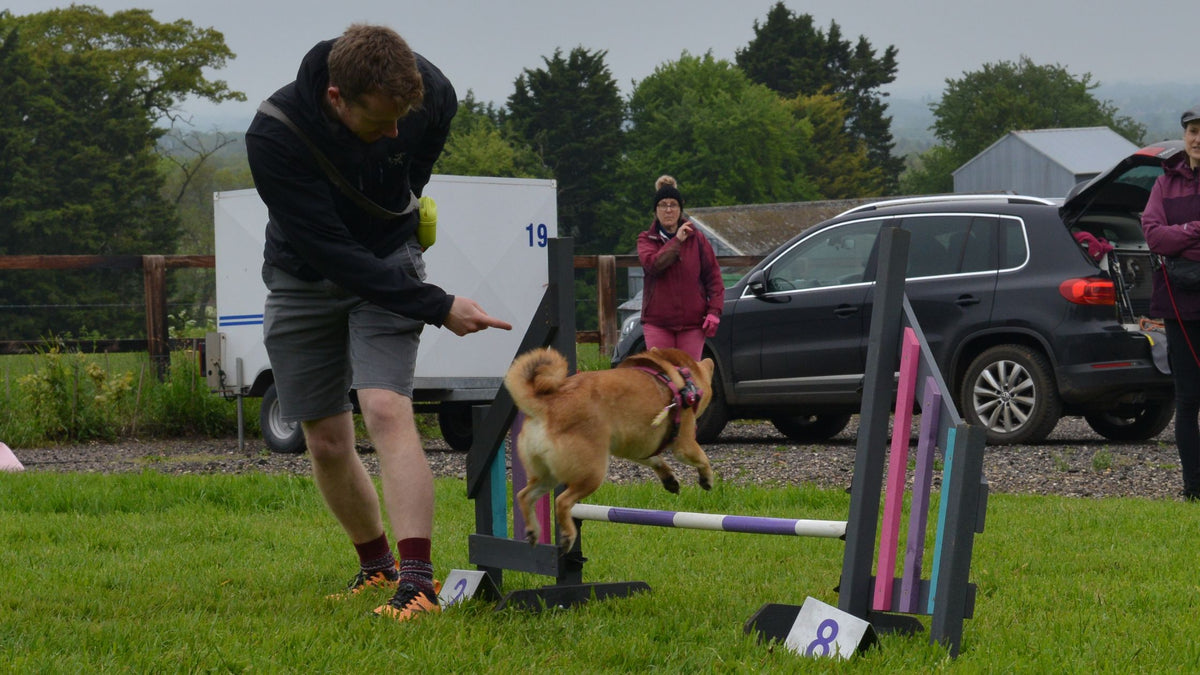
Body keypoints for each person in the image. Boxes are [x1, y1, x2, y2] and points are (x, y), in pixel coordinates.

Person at [245, 24, 511, 622]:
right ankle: (377, 567)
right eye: (382, 120)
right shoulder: (274, 135)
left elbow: (413, 166)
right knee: (325, 438)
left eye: (402, 118)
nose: (396, 131)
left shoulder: (429, 94)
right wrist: (439, 305)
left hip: (391, 260)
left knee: (386, 407)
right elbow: (334, 254)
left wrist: (400, 198)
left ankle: (418, 583)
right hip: (304, 271)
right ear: (337, 98)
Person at [1141, 103, 1200, 501]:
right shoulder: (1165, 184)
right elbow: (1153, 235)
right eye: (1193, 131)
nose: (1198, 139)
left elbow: (1169, 238)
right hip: (1180, 307)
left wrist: (1180, 236)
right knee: (1188, 399)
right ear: (1185, 136)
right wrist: (1195, 231)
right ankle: (1193, 489)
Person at [636, 176, 724, 361]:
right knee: (663, 379)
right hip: (658, 322)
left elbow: (713, 277)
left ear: (680, 209)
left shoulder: (697, 238)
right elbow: (654, 265)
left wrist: (714, 311)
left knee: (689, 380)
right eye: (663, 205)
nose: (668, 210)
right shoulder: (646, 240)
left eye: (673, 204)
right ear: (656, 210)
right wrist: (677, 241)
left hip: (692, 324)